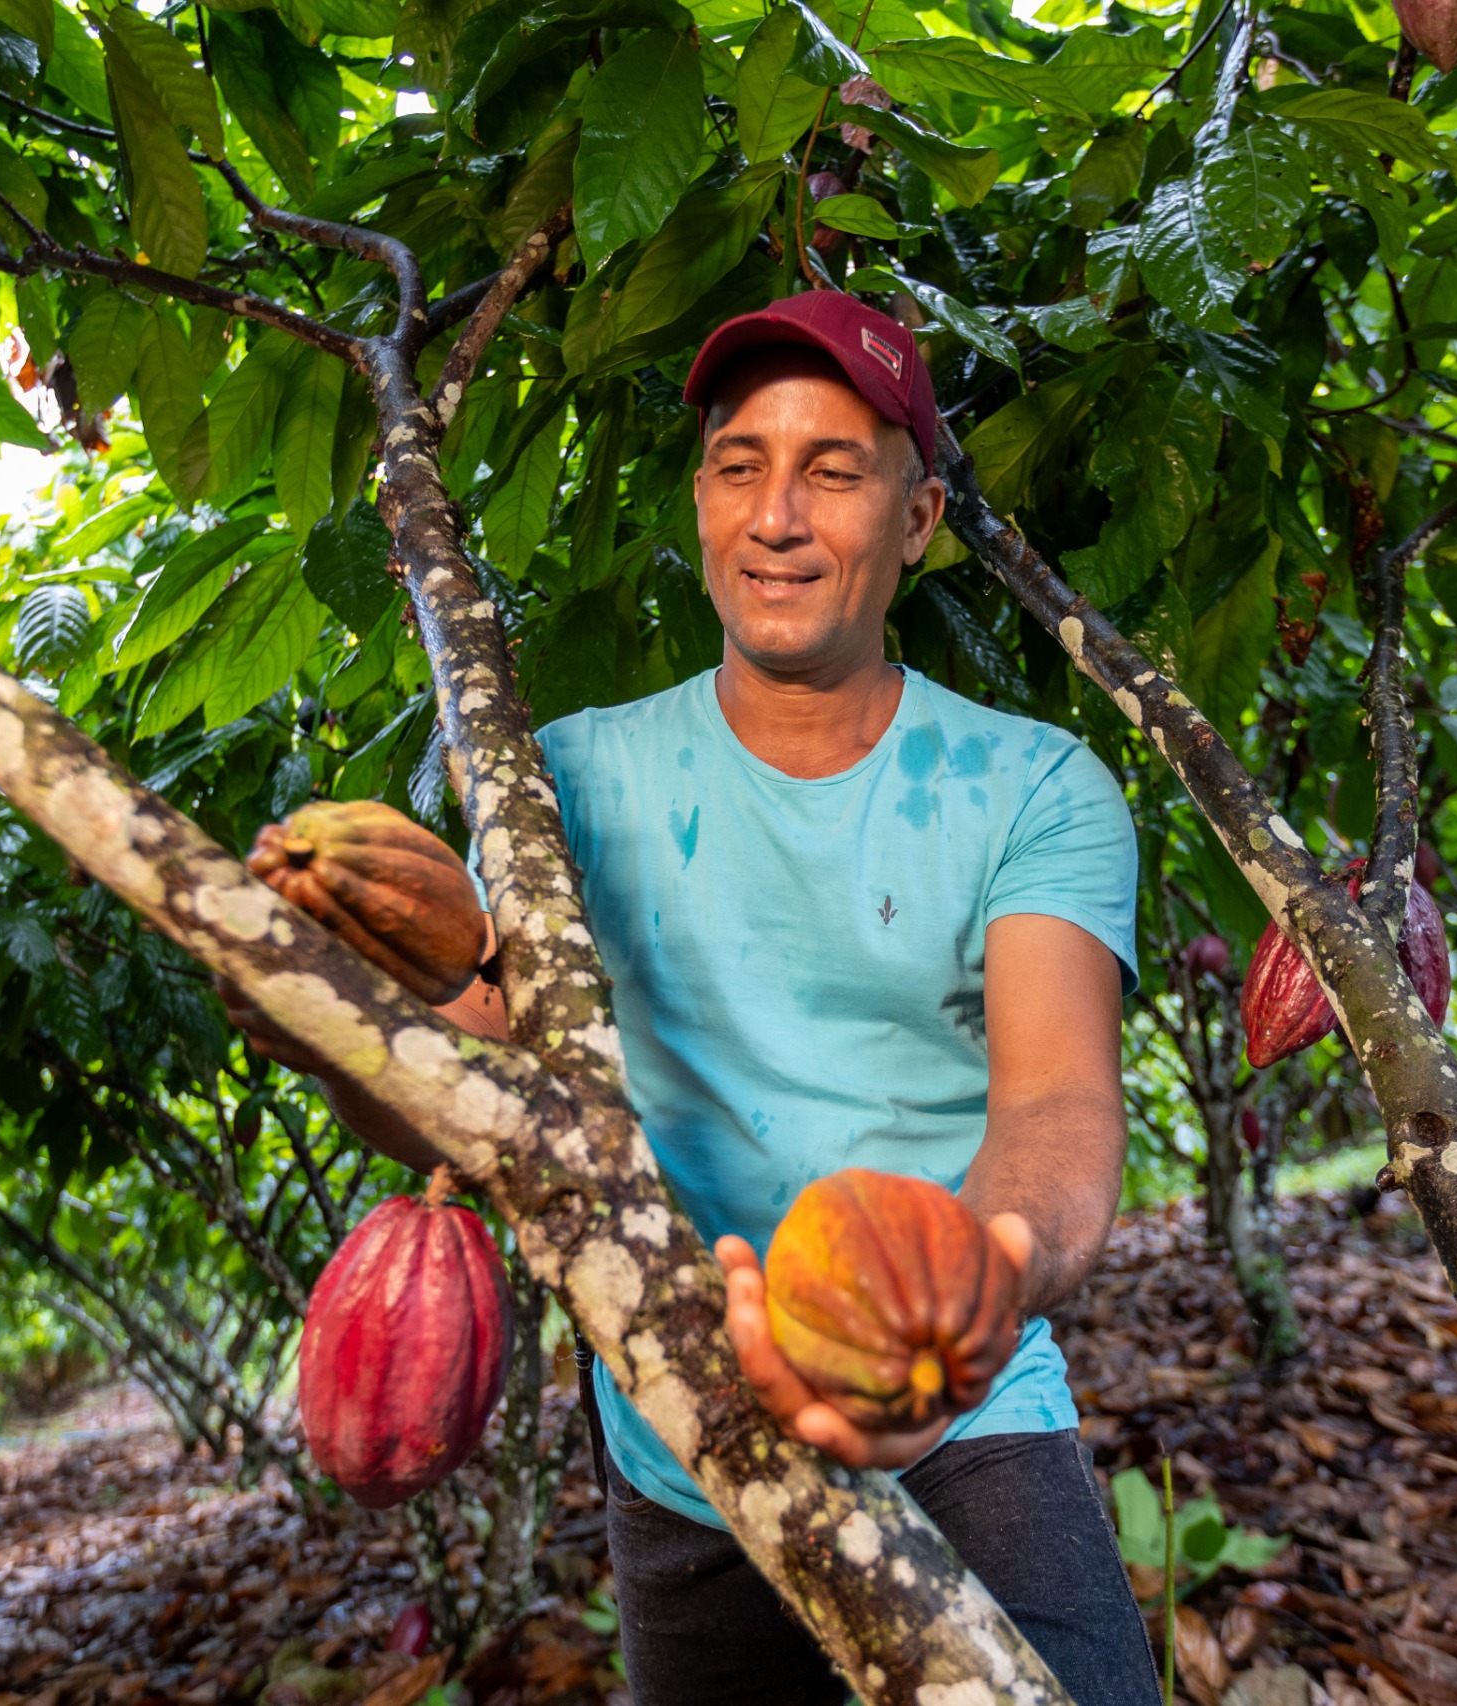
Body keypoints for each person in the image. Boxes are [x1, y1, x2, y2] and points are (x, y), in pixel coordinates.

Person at [227, 292, 1157, 1706]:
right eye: (739, 466)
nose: (777, 517)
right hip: (682, 1434)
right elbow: (467, 1104)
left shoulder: (1035, 786)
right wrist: (326, 1024)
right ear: (703, 501)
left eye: (833, 471)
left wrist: (979, 1274)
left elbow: (1058, 1105)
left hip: (953, 1405)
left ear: (917, 519)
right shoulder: (562, 782)